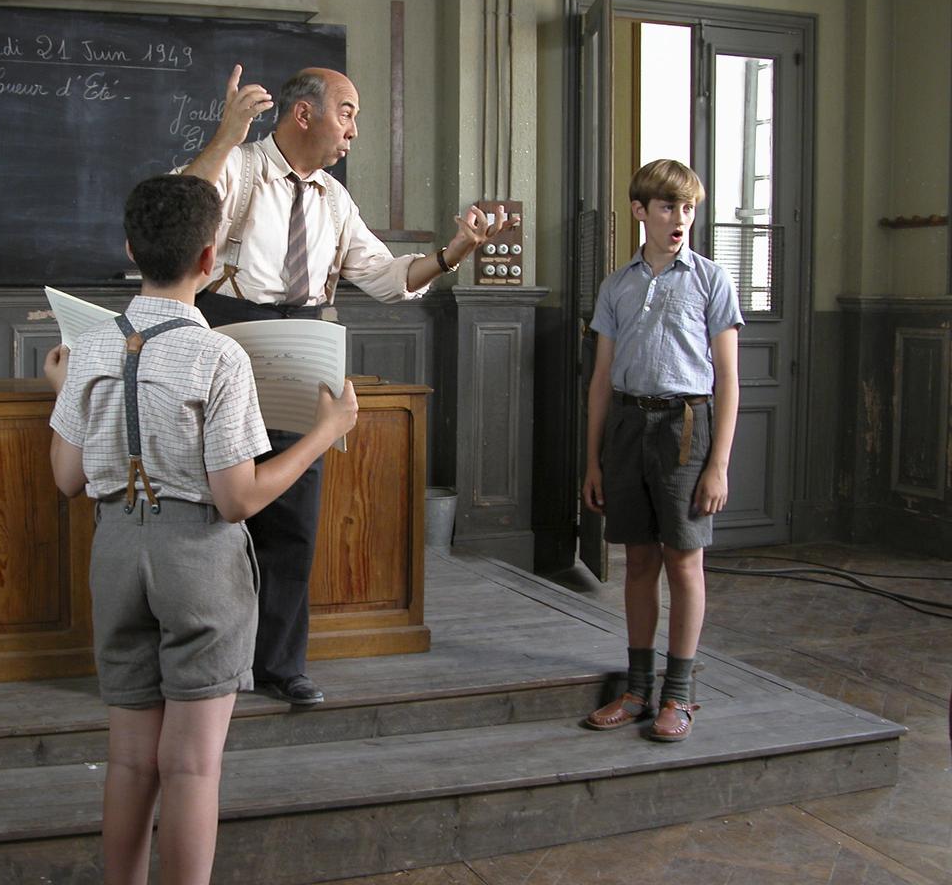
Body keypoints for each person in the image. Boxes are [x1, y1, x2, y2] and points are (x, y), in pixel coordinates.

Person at [44, 174, 358, 885]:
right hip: (195, 560)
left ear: (131, 249)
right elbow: (239, 498)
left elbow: (66, 478)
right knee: (190, 765)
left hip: (116, 549)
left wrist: (62, 394)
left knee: (128, 761)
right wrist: (324, 431)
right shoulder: (219, 356)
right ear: (211, 259)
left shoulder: (91, 350)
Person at [178, 63, 517, 704]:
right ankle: (212, 662)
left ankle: (280, 666)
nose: (354, 129)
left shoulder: (337, 201)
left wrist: (455, 250)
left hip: (306, 342)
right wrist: (225, 135)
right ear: (304, 115)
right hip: (226, 334)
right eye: (349, 112)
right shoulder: (241, 165)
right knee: (218, 511)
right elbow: (178, 213)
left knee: (295, 517)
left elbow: (389, 279)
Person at [581, 159, 743, 742]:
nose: (680, 219)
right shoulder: (617, 285)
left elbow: (728, 380)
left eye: (689, 208)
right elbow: (601, 378)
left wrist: (717, 464)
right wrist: (594, 459)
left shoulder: (710, 280)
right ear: (640, 211)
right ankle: (638, 688)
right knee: (639, 563)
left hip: (685, 429)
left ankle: (680, 694)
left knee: (683, 560)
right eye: (669, 207)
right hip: (627, 426)